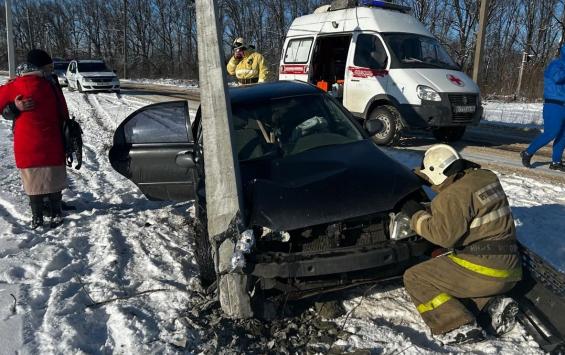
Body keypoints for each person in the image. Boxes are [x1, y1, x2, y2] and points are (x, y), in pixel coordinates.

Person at [401, 144, 522, 345]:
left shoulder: (452, 196)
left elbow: (442, 236)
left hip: (486, 271)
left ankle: (457, 326)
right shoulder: (485, 177)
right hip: (510, 269)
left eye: (430, 179)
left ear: (437, 173)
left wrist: (415, 214)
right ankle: (493, 304)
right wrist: (430, 208)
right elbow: (466, 207)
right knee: (453, 271)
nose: (431, 185)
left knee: (415, 277)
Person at [0, 49, 70, 229]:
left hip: (31, 142)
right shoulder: (35, 84)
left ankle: (40, 214)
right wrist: (15, 108)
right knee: (51, 173)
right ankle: (52, 211)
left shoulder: (44, 82)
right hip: (48, 137)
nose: (51, 69)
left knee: (34, 177)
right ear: (39, 67)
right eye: (48, 66)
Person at [521, 46, 565, 172]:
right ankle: (527, 152)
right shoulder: (555, 64)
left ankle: (556, 162)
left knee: (563, 136)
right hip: (554, 105)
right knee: (551, 132)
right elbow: (558, 78)